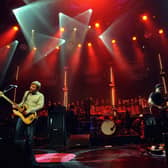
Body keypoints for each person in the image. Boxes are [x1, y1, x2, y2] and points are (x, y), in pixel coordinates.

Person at [12, 81, 45, 145]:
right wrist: (17, 105)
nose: (31, 88)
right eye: (31, 86)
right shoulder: (26, 92)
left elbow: (40, 105)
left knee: (29, 133)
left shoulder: (40, 95)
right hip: (22, 115)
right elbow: (22, 103)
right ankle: (17, 147)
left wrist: (29, 111)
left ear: (37, 89)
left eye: (33, 87)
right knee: (18, 130)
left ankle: (29, 149)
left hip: (31, 116)